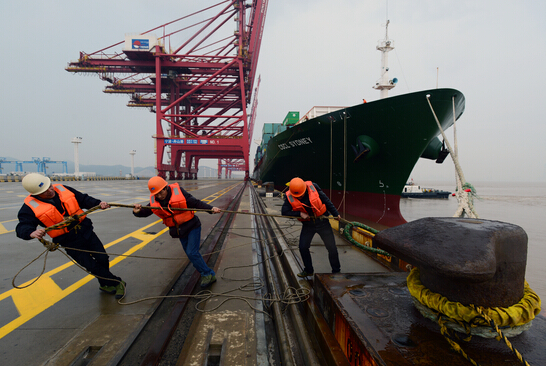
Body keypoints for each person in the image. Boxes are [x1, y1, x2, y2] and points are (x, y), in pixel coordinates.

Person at [16, 173, 125, 298]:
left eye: (50, 186)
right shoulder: (29, 207)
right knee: (90, 265)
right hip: (68, 240)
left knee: (102, 258)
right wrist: (31, 232)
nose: (50, 191)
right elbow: (22, 226)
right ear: (35, 194)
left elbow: (83, 199)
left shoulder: (63, 189)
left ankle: (105, 283)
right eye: (45, 191)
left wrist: (99, 203)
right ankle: (117, 282)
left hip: (86, 232)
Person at [133, 177, 221, 288]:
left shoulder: (179, 193)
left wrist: (211, 208)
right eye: (157, 194)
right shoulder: (155, 201)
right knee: (191, 254)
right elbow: (146, 211)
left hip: (192, 226)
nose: (160, 196)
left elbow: (195, 202)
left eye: (161, 192)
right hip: (179, 230)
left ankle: (208, 274)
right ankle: (206, 273)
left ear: (166, 188)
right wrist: (137, 212)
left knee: (192, 253)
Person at [281, 177, 341, 277]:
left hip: (323, 223)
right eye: (297, 196)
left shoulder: (314, 187)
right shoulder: (289, 196)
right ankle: (308, 270)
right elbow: (284, 212)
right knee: (303, 247)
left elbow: (326, 200)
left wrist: (335, 213)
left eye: (301, 195)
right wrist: (299, 213)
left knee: (332, 248)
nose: (299, 197)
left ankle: (336, 270)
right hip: (308, 225)